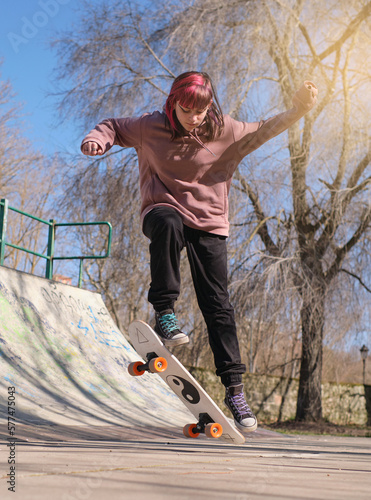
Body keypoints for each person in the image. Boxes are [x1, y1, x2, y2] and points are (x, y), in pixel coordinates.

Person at [81, 71, 317, 433]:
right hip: (162, 210)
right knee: (168, 222)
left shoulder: (227, 131)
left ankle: (235, 391)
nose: (194, 118)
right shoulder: (149, 126)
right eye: (186, 110)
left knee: (218, 304)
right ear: (172, 103)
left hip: (209, 222)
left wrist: (299, 108)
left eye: (201, 111)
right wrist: (98, 140)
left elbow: (266, 128)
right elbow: (112, 125)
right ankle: (165, 311)